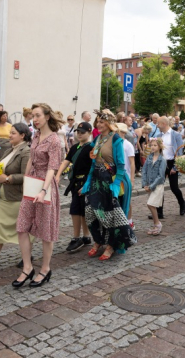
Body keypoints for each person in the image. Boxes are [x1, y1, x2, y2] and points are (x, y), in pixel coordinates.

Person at [13, 103, 64, 288]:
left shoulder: (54, 141)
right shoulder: (35, 135)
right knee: (21, 226)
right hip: (33, 182)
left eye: (37, 115)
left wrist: (43, 190)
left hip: (46, 185)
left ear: (47, 117)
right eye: (33, 116)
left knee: (45, 231)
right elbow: (31, 161)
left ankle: (45, 268)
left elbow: (52, 167)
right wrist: (26, 182)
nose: (34, 119)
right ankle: (27, 267)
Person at [82, 110, 137, 260]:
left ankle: (112, 245)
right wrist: (88, 181)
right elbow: (93, 162)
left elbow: (120, 165)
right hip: (97, 179)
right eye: (97, 122)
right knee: (91, 212)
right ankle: (99, 241)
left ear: (108, 123)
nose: (98, 124)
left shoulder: (116, 139)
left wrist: (116, 184)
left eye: (101, 122)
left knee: (112, 215)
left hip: (111, 180)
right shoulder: (98, 139)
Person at [0, 123, 31, 260]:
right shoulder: (9, 150)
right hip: (1, 197)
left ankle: (26, 258)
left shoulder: (26, 152)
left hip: (14, 199)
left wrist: (8, 178)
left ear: (22, 135)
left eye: (13, 133)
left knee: (22, 232)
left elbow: (27, 176)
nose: (9, 135)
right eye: (10, 132)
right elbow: (1, 166)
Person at [55, 122, 93, 252]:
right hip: (75, 183)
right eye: (78, 132)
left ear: (89, 133)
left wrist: (88, 185)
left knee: (81, 210)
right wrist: (58, 175)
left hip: (85, 182)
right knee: (77, 210)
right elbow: (66, 161)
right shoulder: (75, 147)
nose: (80, 134)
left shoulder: (92, 148)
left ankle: (80, 237)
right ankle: (82, 236)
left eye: (83, 132)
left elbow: (94, 168)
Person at [156, 116, 185, 218]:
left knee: (174, 188)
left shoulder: (176, 135)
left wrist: (175, 167)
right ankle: (159, 212)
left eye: (158, 123)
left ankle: (182, 204)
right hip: (162, 163)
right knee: (159, 187)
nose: (157, 125)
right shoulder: (159, 135)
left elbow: (180, 151)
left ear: (164, 124)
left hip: (172, 162)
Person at [142, 138, 167, 236]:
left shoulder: (162, 160)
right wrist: (144, 184)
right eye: (151, 145)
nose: (152, 147)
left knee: (150, 204)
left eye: (155, 145)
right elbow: (144, 170)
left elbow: (161, 176)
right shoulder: (149, 157)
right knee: (151, 205)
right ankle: (155, 224)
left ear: (160, 147)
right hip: (149, 184)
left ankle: (157, 224)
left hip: (157, 185)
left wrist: (151, 186)